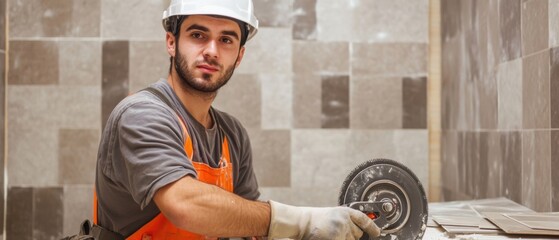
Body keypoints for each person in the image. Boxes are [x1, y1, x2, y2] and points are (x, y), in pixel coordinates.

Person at [94, 0, 381, 239]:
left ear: (240, 55)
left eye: (226, 40)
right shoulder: (142, 114)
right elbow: (183, 204)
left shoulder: (231, 134)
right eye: (197, 35)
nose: (211, 50)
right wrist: (303, 220)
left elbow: (247, 226)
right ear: (171, 42)